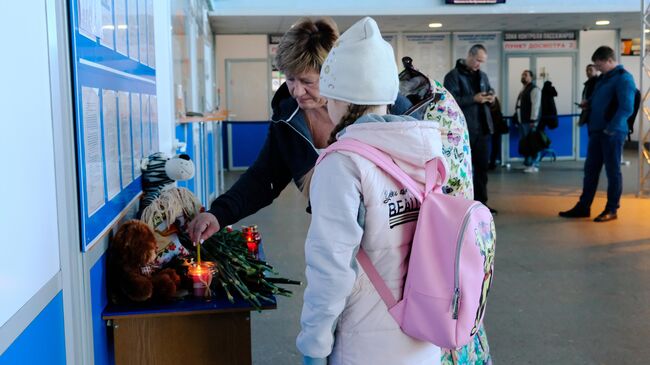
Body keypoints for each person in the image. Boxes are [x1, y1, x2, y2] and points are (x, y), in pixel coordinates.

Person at [186, 18, 412, 243]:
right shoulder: (288, 119)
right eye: (290, 79)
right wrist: (218, 214)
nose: (296, 90)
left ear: (334, 75)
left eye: (307, 81)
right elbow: (264, 177)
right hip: (337, 237)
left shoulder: (387, 104)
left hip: (397, 231)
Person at [296, 17, 441, 365]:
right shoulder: (424, 150)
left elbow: (330, 268)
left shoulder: (342, 164)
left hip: (365, 347)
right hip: (425, 340)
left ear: (335, 96)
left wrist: (313, 347)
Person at [559, 46, 636, 222]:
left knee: (612, 171)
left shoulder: (624, 79)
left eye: (599, 64)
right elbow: (598, 97)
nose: (597, 68)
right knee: (591, 170)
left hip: (612, 133)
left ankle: (612, 209)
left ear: (610, 60)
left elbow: (627, 108)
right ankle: (583, 206)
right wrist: (588, 103)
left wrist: (611, 128)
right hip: (597, 131)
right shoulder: (603, 78)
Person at [444, 44, 497, 214]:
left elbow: (489, 96)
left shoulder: (483, 76)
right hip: (462, 132)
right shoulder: (453, 76)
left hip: (482, 130)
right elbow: (450, 102)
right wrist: (473, 98)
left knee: (482, 169)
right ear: (469, 55)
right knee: (462, 172)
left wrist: (492, 98)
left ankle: (482, 204)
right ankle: (462, 207)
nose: (479, 65)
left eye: (482, 62)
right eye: (477, 61)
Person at [515, 69, 542, 173]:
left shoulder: (534, 89)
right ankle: (528, 164)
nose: (523, 76)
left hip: (530, 122)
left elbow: (536, 106)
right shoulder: (523, 89)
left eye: (525, 75)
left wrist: (533, 120)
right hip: (522, 121)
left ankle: (535, 165)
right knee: (525, 144)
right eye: (522, 75)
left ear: (531, 77)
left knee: (533, 144)